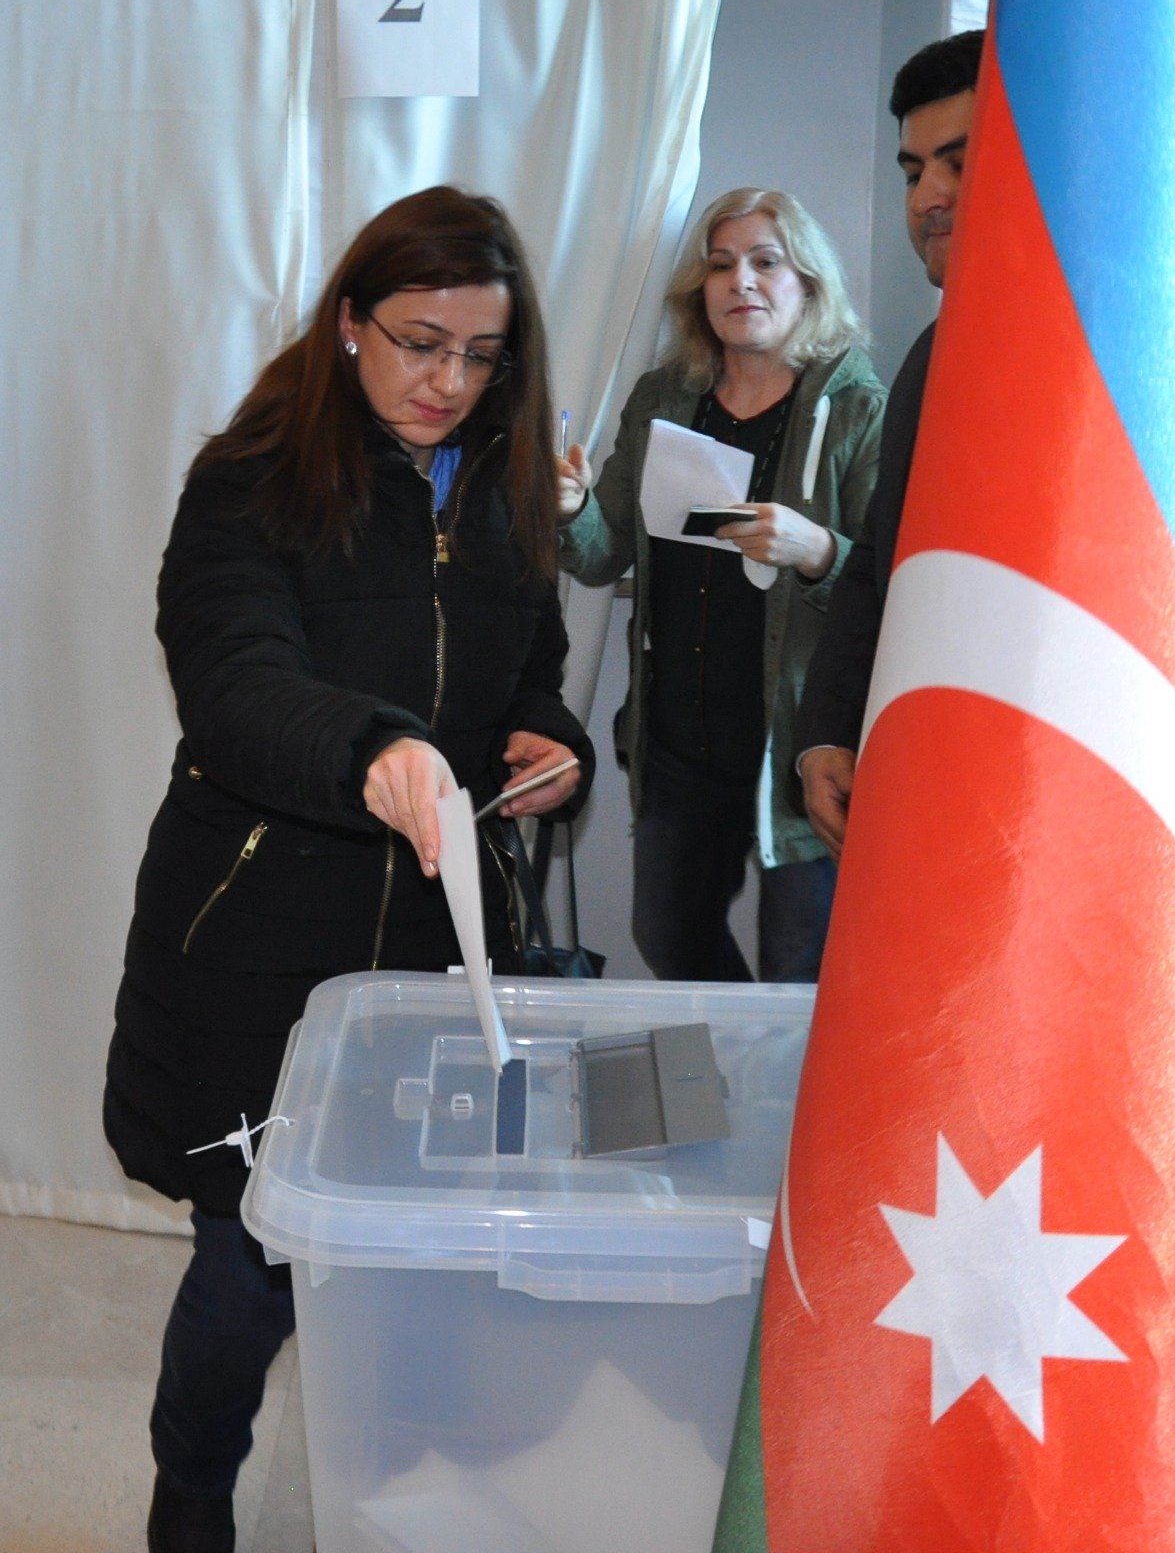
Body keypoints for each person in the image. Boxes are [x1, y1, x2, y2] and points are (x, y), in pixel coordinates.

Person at [103, 186, 593, 1553]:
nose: (449, 382)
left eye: (481, 354)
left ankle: (395, 1484)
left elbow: (532, 665)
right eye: (419, 342)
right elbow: (235, 680)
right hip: (255, 939)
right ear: (347, 324)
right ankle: (192, 1490)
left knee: (423, 1263)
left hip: (436, 951)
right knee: (247, 1265)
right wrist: (375, 749)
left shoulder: (501, 484)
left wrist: (544, 740)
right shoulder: (249, 479)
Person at [557, 188, 886, 982]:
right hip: (679, 741)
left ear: (807, 283)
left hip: (799, 745)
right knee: (665, 935)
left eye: (766, 262)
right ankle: (730, 1062)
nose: (741, 281)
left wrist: (818, 549)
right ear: (698, 289)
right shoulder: (665, 399)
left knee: (797, 976)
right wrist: (568, 509)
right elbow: (601, 555)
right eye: (721, 264)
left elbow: (893, 584)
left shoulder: (856, 409)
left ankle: (771, 1067)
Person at [795, 30, 984, 859]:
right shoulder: (931, 358)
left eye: (958, 164)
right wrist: (827, 733)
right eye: (912, 172)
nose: (927, 198)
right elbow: (880, 561)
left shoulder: (1126, 365)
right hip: (936, 787)